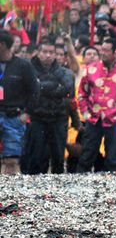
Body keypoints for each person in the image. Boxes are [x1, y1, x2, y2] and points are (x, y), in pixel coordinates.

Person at [76, 38, 116, 173]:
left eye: (106, 50)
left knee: (114, 158)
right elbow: (82, 93)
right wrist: (85, 113)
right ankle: (77, 187)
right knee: (86, 156)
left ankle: (112, 189)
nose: (102, 53)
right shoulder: (89, 70)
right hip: (94, 118)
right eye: (101, 50)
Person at [23, 39, 76, 175]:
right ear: (39, 53)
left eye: (51, 52)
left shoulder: (65, 72)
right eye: (45, 52)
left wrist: (41, 86)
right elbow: (30, 90)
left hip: (58, 117)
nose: (48, 55)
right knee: (36, 156)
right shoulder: (28, 69)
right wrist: (52, 86)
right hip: (36, 118)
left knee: (58, 156)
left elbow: (66, 90)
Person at [0, 30, 39, 175]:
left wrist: (27, 114)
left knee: (11, 159)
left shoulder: (23, 66)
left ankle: (9, 194)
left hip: (13, 118)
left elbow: (35, 92)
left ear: (3, 45)